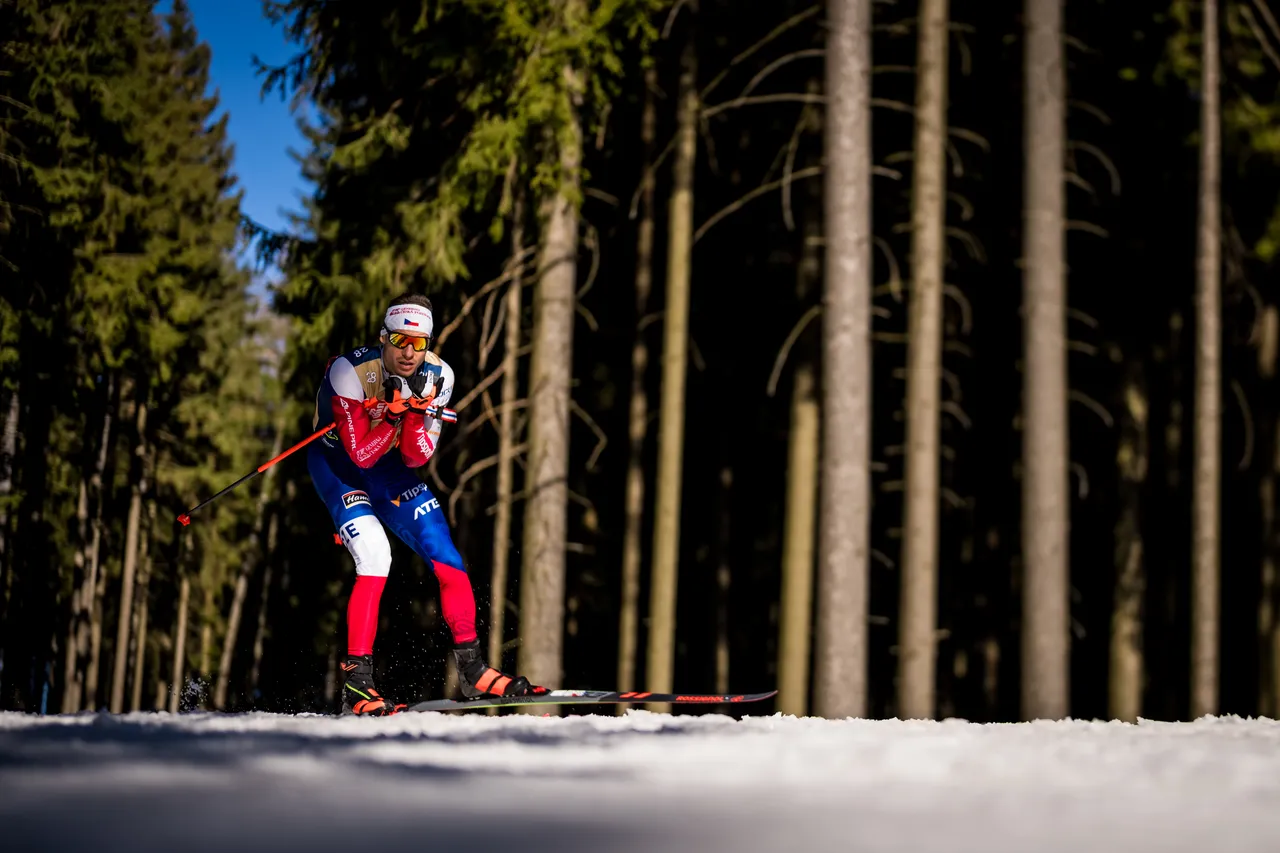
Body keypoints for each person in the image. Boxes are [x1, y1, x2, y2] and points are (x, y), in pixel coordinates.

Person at [307, 293, 545, 716]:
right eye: (400, 340)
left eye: (419, 343)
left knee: (445, 552)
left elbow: (416, 456)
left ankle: (473, 670)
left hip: (389, 469)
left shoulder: (440, 374)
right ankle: (357, 685)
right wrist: (395, 415)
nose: (408, 353)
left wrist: (416, 412)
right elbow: (359, 452)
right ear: (384, 338)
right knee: (376, 554)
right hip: (338, 465)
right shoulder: (351, 370)